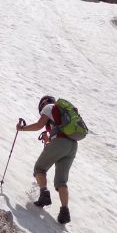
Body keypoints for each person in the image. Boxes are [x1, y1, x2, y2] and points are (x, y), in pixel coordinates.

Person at [17, 96, 77, 224]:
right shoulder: (61, 114)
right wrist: (49, 139)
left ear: (44, 103)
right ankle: (64, 212)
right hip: (72, 146)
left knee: (39, 168)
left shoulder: (49, 107)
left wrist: (22, 128)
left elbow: (39, 125)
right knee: (61, 181)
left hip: (60, 142)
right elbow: (61, 134)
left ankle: (44, 194)